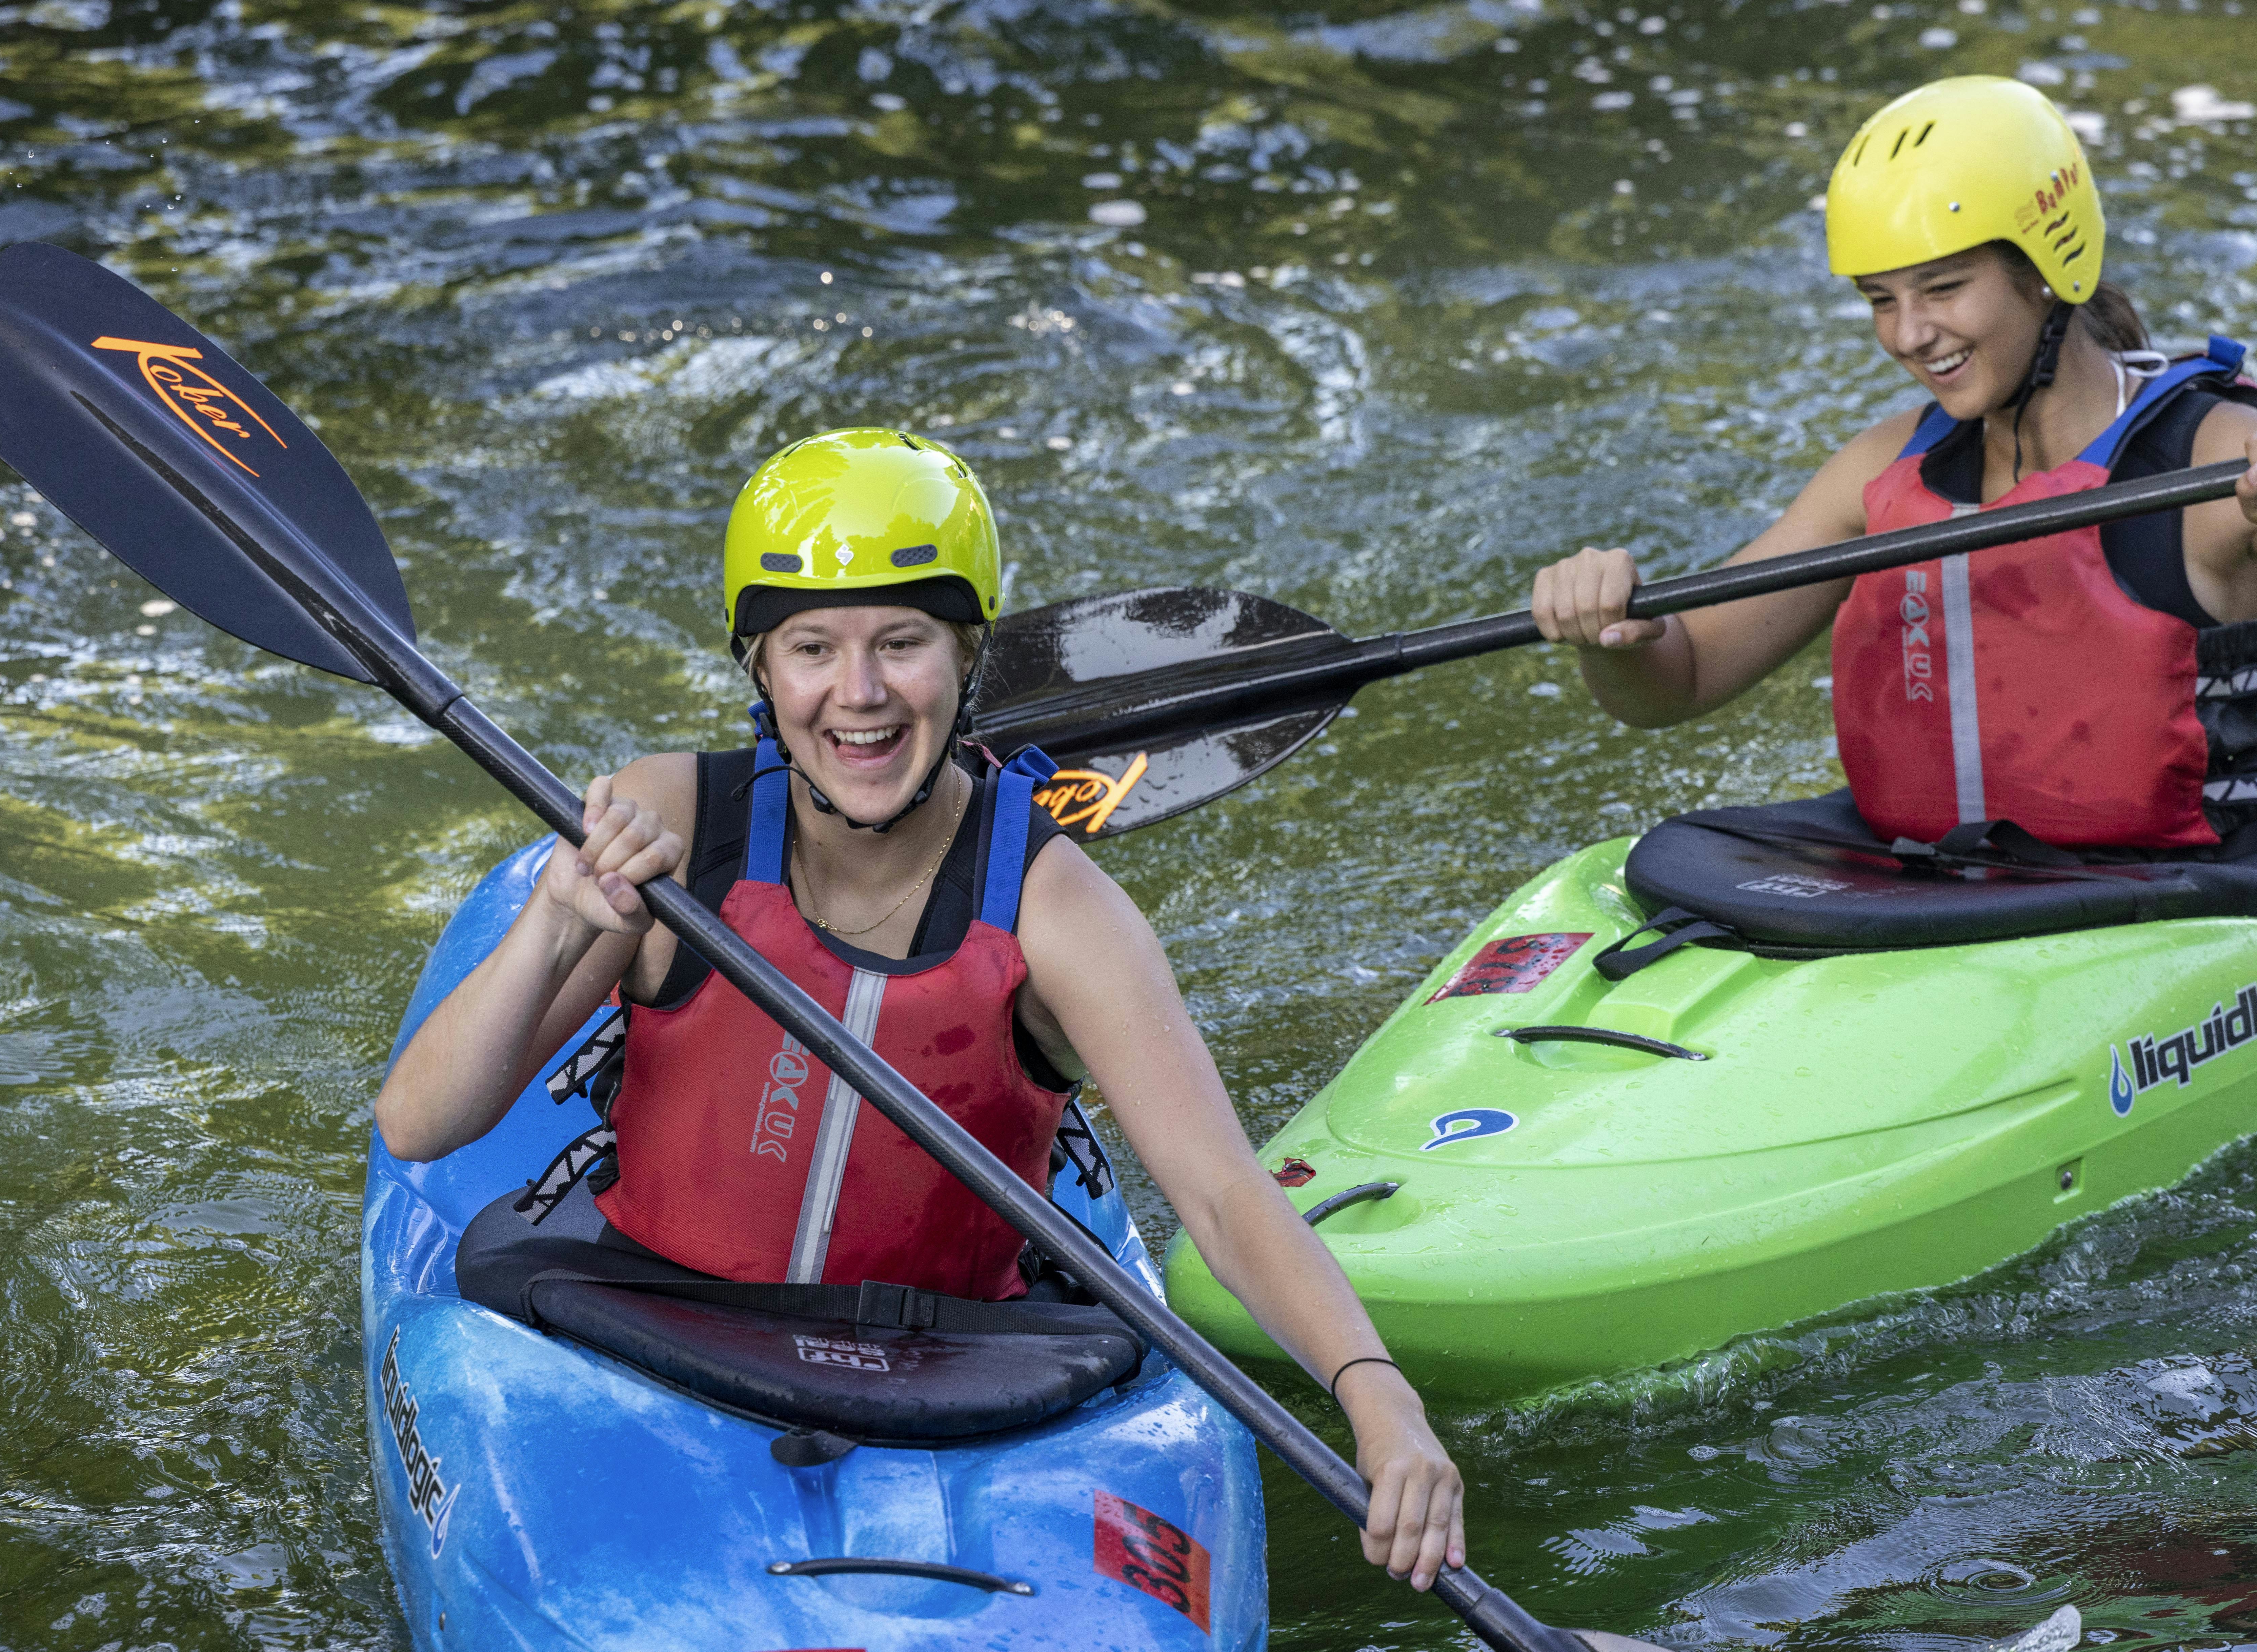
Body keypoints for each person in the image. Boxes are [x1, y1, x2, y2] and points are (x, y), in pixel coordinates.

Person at [373, 428, 1465, 1588]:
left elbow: (1222, 1192)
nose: (861, 694)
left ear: (967, 655)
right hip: (644, 1332)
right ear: (759, 667)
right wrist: (556, 921)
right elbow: (421, 1125)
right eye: (813, 649)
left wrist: (1376, 1393)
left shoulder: (1060, 913)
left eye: (903, 643)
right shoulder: (669, 829)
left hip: (955, 1370)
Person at [1531, 75, 2257, 853]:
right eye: (1880, 299)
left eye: (1945, 288)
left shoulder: (2218, 468)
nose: (1910, 334)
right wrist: (1610, 634)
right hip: (1937, 876)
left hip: (2188, 881)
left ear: (2049, 271)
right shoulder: (1882, 473)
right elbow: (1680, 683)